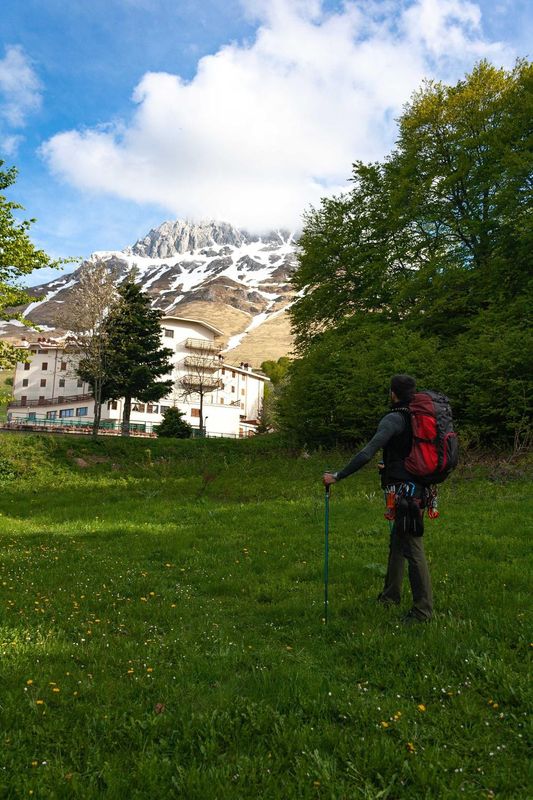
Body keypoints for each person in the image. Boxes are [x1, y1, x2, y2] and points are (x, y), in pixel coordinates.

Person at [322, 374, 433, 624]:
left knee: (413, 548)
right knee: (398, 541)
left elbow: (367, 452)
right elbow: (409, 453)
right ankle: (390, 596)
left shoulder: (394, 418)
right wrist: (391, 466)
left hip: (406, 492)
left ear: (393, 393)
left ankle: (423, 611)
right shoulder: (418, 418)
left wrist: (338, 476)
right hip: (420, 486)